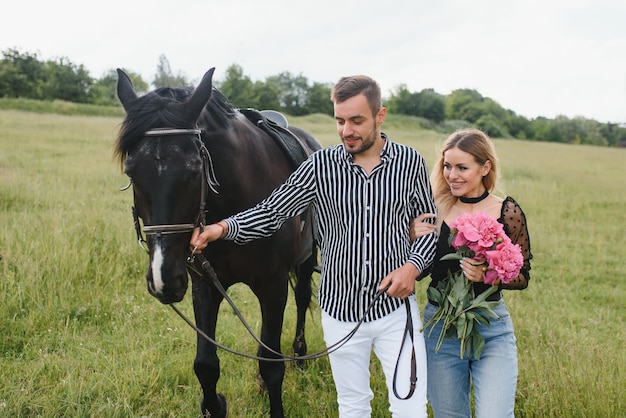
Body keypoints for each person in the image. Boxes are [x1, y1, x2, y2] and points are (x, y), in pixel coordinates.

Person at [191, 75, 438, 417]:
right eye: (339, 121)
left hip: (395, 310)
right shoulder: (321, 166)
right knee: (352, 406)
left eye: (357, 121)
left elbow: (429, 226)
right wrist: (222, 228)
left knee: (410, 407)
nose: (346, 130)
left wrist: (413, 267)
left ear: (380, 117)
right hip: (340, 309)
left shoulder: (410, 163)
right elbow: (273, 210)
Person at [410, 129, 533, 418]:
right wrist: (411, 239)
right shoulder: (434, 209)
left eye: (462, 167)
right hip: (440, 328)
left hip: (492, 328)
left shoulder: (507, 211)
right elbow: (417, 273)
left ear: (485, 167)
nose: (452, 175)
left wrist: (488, 275)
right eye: (447, 166)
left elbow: (523, 274)